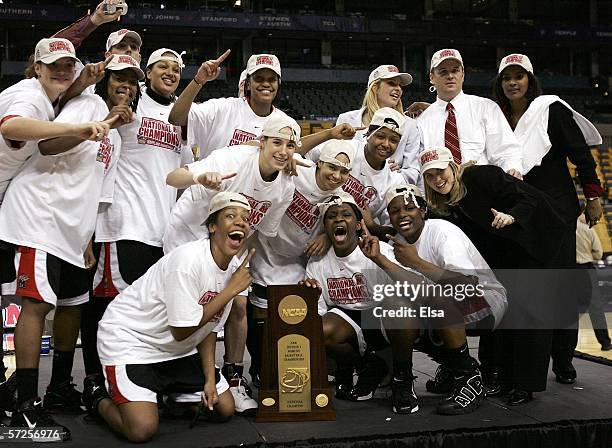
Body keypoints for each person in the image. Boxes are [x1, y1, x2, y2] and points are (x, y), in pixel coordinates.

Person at [0, 51, 136, 438]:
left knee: (73, 308)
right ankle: (25, 405)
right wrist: (102, 122)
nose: (125, 85)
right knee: (37, 305)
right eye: (118, 78)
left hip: (74, 232)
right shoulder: (85, 104)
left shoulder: (119, 139)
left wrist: (89, 237)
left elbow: (98, 191)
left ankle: (59, 387)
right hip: (39, 218)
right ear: (104, 83)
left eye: (132, 79)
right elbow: (46, 146)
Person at [83, 192, 255, 443]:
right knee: (141, 429)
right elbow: (182, 330)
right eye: (230, 216)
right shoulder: (188, 262)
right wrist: (231, 290)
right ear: (212, 227)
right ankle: (96, 395)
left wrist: (209, 379)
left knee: (224, 409)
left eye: (245, 218)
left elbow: (208, 328)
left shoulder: (233, 268)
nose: (240, 222)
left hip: (177, 350)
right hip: (133, 341)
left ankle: (170, 394)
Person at [420, 146, 567, 405]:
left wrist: (511, 216)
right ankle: (495, 375)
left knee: (530, 311)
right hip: (503, 251)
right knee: (504, 309)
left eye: (440, 171)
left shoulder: (481, 176)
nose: (437, 179)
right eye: (429, 176)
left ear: (452, 167)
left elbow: (529, 199)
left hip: (537, 239)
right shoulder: (439, 205)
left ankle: (525, 385)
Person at [493, 53, 604, 384]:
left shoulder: (550, 108)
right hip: (517, 214)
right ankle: (521, 365)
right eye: (506, 78)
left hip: (555, 212)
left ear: (530, 79)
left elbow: (580, 153)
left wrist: (593, 196)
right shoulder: (497, 117)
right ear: (500, 83)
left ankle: (563, 359)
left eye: (519, 76)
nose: (513, 82)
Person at [87, 48, 192, 384]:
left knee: (146, 311)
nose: (171, 72)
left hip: (161, 231)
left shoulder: (181, 118)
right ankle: (96, 379)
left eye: (176, 68)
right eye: (163, 66)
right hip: (124, 223)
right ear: (147, 73)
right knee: (109, 308)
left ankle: (141, 378)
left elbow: (181, 175)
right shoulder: (133, 102)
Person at [304, 192, 432, 414]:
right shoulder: (317, 261)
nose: (339, 219)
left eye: (346, 214)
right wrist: (310, 295)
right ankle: (366, 367)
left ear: (358, 224)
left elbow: (417, 288)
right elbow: (319, 313)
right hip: (349, 321)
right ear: (326, 227)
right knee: (317, 330)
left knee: (397, 305)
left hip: (383, 318)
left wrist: (379, 260)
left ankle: (402, 378)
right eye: (332, 216)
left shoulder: (378, 248)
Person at [384, 183, 507, 413]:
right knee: (394, 305)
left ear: (423, 211)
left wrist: (416, 263)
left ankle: (468, 379)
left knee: (438, 296)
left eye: (409, 208)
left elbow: (466, 285)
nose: (402, 215)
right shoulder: (396, 243)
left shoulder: (442, 231)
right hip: (440, 308)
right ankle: (405, 379)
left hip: (486, 300)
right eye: (394, 211)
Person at [246, 140, 356, 388]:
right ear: (318, 164)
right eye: (332, 167)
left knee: (293, 320)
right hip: (265, 250)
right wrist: (287, 158)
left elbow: (354, 223)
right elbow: (257, 149)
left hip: (298, 262)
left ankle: (299, 372)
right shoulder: (297, 170)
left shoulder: (341, 197)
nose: (336, 175)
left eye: (344, 171)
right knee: (260, 315)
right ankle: (259, 366)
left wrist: (327, 235)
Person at [416, 49, 523, 179]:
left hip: (482, 189)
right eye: (443, 72)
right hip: (440, 192)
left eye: (455, 70)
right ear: (432, 77)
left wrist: (512, 169)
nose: (450, 76)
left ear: (463, 75)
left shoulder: (486, 107)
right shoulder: (422, 121)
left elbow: (506, 150)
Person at [335, 65, 421, 185]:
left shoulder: (410, 126)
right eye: (392, 83)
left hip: (388, 196)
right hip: (347, 191)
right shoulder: (346, 119)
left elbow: (414, 172)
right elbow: (333, 157)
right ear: (375, 88)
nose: (398, 89)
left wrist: (395, 173)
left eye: (400, 85)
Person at [576, 212, 610, 350]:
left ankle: (565, 345)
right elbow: (598, 253)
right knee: (595, 307)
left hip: (567, 270)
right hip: (586, 269)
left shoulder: (563, 229)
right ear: (580, 214)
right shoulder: (587, 229)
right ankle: (605, 342)